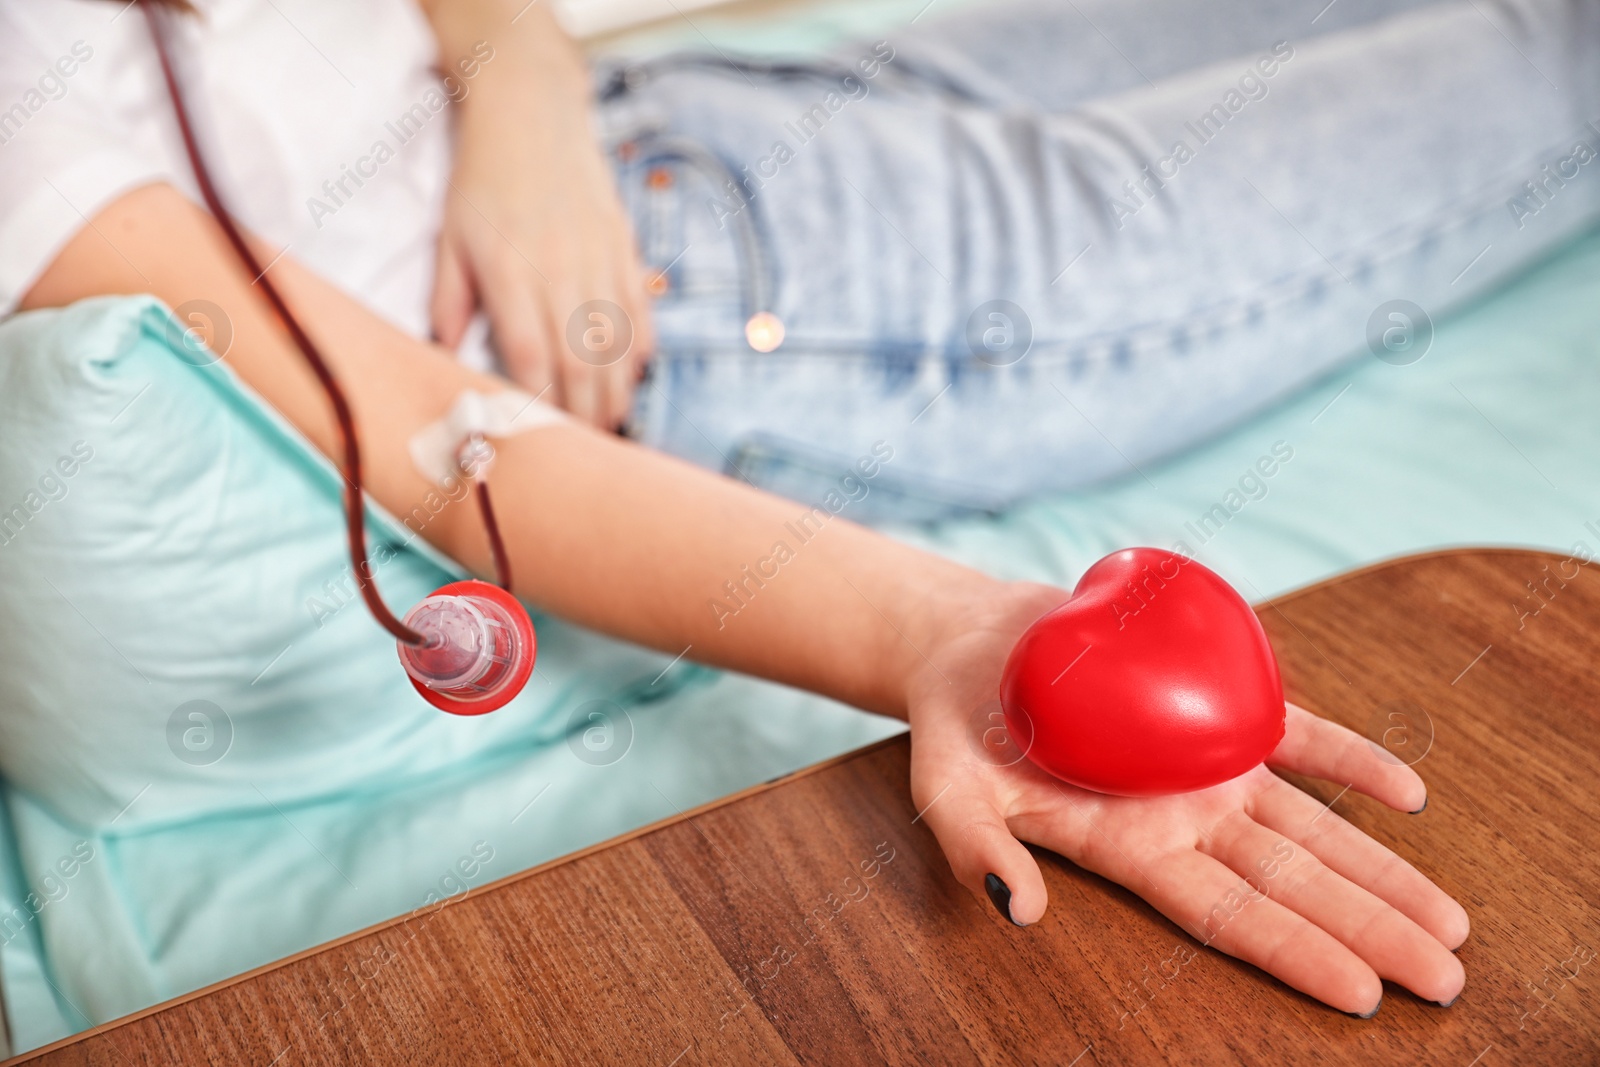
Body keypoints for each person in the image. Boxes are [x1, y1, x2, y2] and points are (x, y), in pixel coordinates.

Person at [8, 0, 1596, 1019]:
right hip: (754, 295)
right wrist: (963, 633)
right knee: (1549, 68)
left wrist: (526, 86)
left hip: (681, 121)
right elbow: (440, 437)